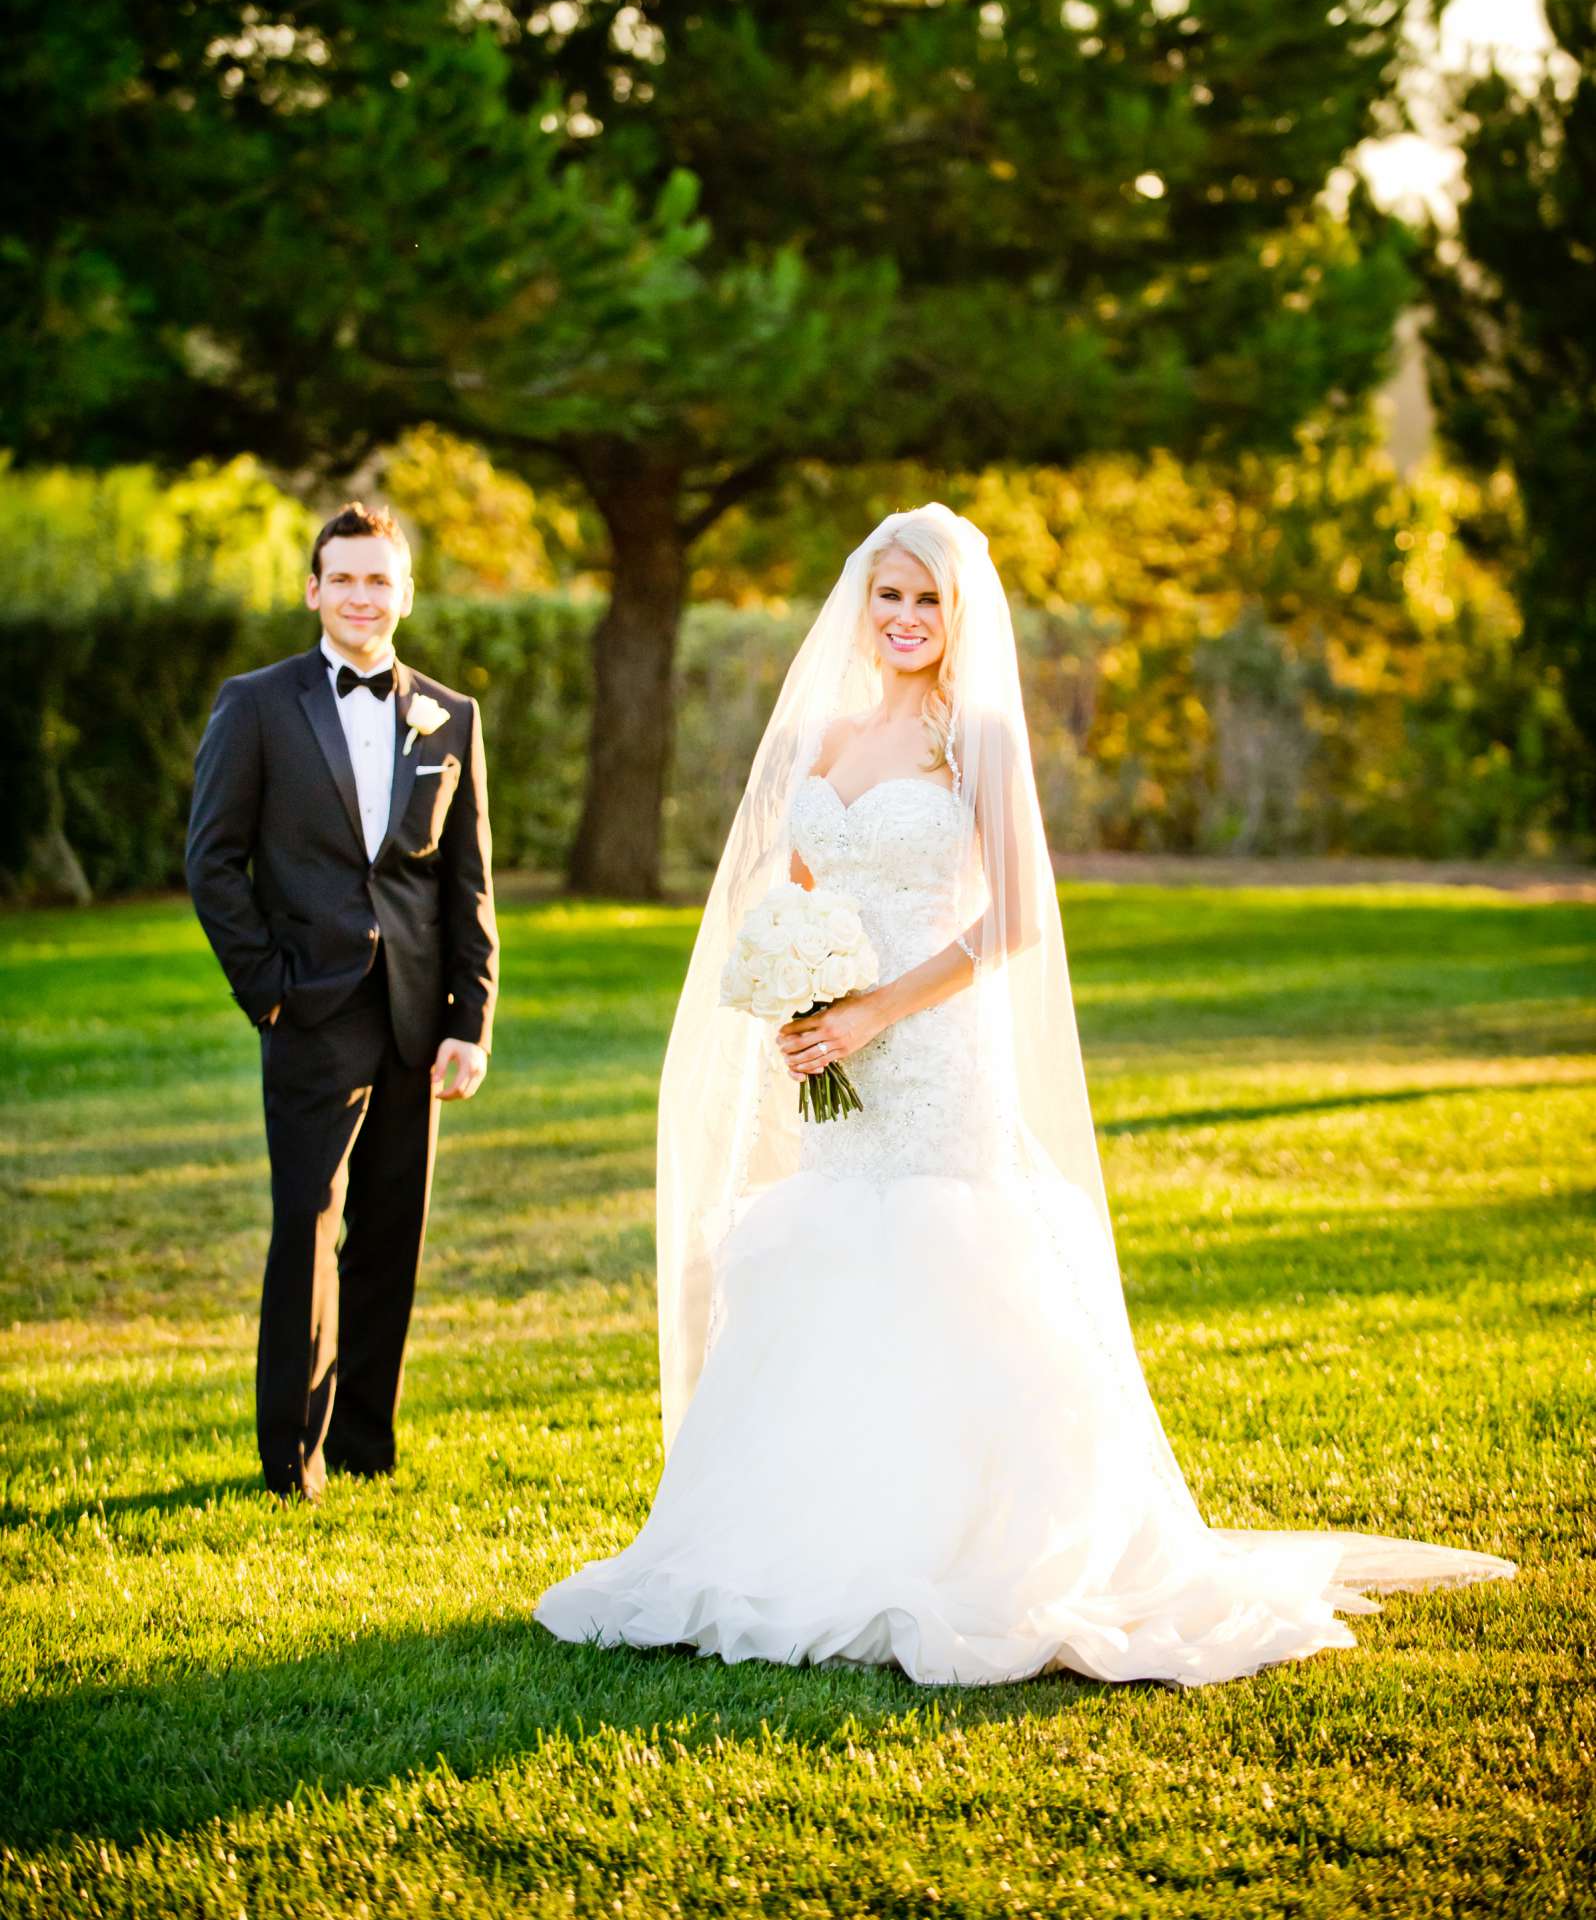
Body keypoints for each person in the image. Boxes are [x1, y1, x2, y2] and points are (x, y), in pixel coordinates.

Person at [536, 503, 1516, 1687]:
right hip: (835, 1056)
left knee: (948, 1258)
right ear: (863, 602)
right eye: (889, 596)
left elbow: (1017, 919)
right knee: (831, 1254)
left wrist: (877, 1008)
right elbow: (794, 892)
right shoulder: (826, 737)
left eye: (928, 601)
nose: (904, 619)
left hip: (935, 1047)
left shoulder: (979, 738)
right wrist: (800, 1001)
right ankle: (810, 1536)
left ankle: (974, 1547)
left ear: (959, 615)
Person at [186, 503, 498, 1502]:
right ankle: (293, 1456)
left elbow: (467, 883)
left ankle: (367, 1440)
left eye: (381, 580)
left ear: (404, 594)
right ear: (314, 590)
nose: (364, 597)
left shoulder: (451, 716)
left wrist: (470, 1020)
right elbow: (212, 862)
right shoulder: (258, 704)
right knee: (307, 1225)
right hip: (310, 1008)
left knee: (393, 1231)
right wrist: (266, 992)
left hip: (417, 1009)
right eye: (345, 579)